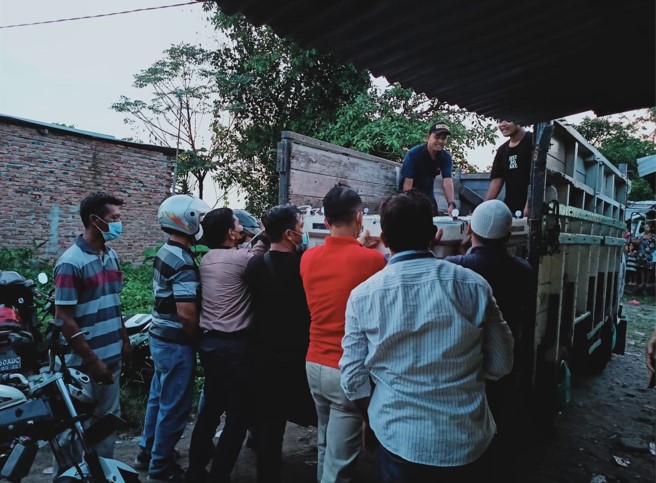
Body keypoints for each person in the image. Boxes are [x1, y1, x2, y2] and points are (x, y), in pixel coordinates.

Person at [339, 189, 514, 482]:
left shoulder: (363, 296)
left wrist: (371, 418)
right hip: (467, 442)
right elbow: (501, 364)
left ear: (384, 237)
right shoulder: (473, 286)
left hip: (398, 440)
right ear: (434, 234)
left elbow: (352, 378)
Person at [300, 185, 386, 483]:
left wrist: (358, 244)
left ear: (326, 221)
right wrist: (364, 246)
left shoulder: (307, 259)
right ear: (360, 218)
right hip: (346, 371)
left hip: (314, 365)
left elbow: (338, 262)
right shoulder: (373, 261)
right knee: (340, 466)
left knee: (326, 443)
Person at [445, 199, 532, 482]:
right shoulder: (523, 269)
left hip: (464, 363)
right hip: (504, 361)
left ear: (470, 229)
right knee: (500, 423)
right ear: (509, 236)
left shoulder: (456, 266)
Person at [185, 207, 268, 483]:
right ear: (231, 232)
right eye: (237, 224)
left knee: (210, 412)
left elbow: (248, 247)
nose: (242, 228)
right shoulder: (242, 259)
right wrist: (267, 227)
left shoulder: (207, 258)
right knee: (237, 417)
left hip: (210, 345)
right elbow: (264, 244)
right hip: (236, 349)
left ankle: (196, 470)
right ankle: (219, 475)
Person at [53, 192, 130, 477]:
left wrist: (123, 338)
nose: (119, 224)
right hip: (81, 367)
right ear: (95, 221)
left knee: (107, 425)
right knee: (73, 432)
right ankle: (70, 477)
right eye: (115, 218)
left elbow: (114, 300)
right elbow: (64, 318)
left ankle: (99, 476)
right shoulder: (70, 262)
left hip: (112, 358)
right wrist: (92, 360)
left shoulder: (111, 256)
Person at [135, 194, 210, 482]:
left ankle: (147, 450)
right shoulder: (183, 261)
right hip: (176, 342)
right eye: (198, 217)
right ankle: (160, 468)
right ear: (186, 220)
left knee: (158, 397)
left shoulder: (167, 251)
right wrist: (197, 340)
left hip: (159, 338)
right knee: (175, 407)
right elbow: (187, 314)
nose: (201, 222)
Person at [245, 204, 316, 483]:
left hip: (263, 354)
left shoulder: (254, 266)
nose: (304, 231)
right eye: (301, 226)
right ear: (289, 233)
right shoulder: (303, 267)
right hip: (296, 353)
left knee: (269, 425)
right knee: (316, 413)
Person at [399, 123, 457, 216]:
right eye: (437, 137)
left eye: (443, 138)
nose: (440, 141)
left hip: (428, 197)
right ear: (428, 136)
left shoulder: (445, 157)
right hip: (410, 197)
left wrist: (451, 204)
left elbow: (447, 181)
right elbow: (407, 185)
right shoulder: (414, 154)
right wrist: (407, 208)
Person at [485, 120, 533, 217]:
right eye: (499, 121)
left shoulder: (533, 141)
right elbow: (496, 182)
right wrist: (483, 209)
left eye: (507, 120)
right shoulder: (502, 150)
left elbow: (540, 176)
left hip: (531, 210)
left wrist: (530, 206)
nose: (502, 124)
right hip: (509, 211)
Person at [636, 222, 655, 290]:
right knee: (642, 268)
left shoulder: (653, 236)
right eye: (645, 227)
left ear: (650, 228)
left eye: (648, 227)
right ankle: (642, 282)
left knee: (649, 269)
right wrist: (642, 238)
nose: (646, 228)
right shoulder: (641, 235)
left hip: (649, 255)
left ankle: (647, 282)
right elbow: (637, 243)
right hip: (641, 254)